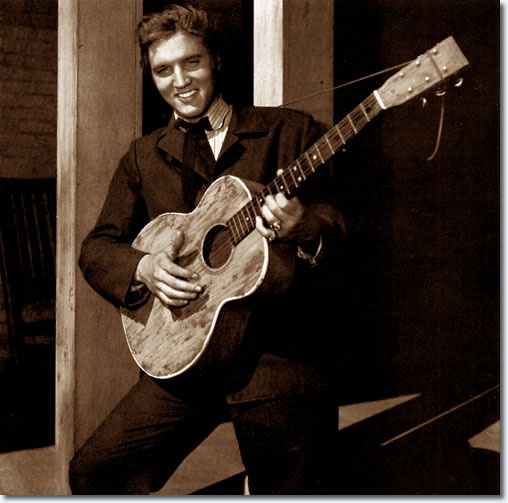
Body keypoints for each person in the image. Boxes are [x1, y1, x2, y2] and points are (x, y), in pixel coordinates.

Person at [69, 1, 345, 495]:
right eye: (163, 70)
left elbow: (341, 223)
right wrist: (144, 267)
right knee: (94, 473)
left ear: (215, 60)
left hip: (275, 357)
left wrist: (305, 227)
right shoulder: (143, 156)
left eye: (191, 62)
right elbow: (97, 249)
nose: (180, 81)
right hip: (188, 355)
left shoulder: (290, 131)